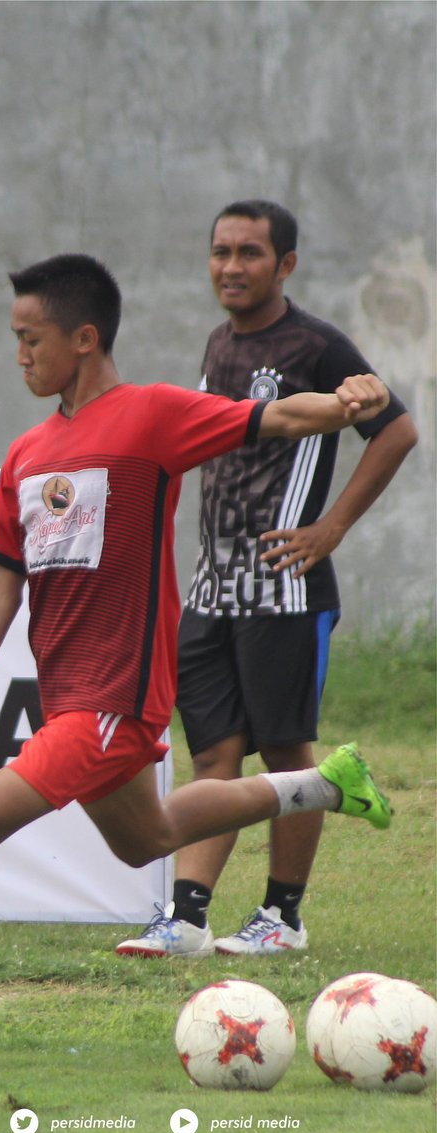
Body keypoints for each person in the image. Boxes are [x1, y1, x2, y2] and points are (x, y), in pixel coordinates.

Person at [0, 253, 392, 1053]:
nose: (19, 355)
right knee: (147, 836)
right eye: (14, 338)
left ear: (83, 339)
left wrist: (344, 401)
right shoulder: (25, 455)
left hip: (115, 699)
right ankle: (322, 785)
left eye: (32, 338)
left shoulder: (152, 415)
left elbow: (280, 418)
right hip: (68, 701)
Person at [116, 201, 417, 959]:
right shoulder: (219, 342)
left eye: (249, 253)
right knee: (213, 756)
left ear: (285, 265)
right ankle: (187, 918)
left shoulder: (317, 344)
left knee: (286, 756)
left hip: (283, 589)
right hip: (210, 589)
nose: (230, 267)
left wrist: (331, 527)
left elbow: (397, 428)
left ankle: (283, 918)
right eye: (220, 251)